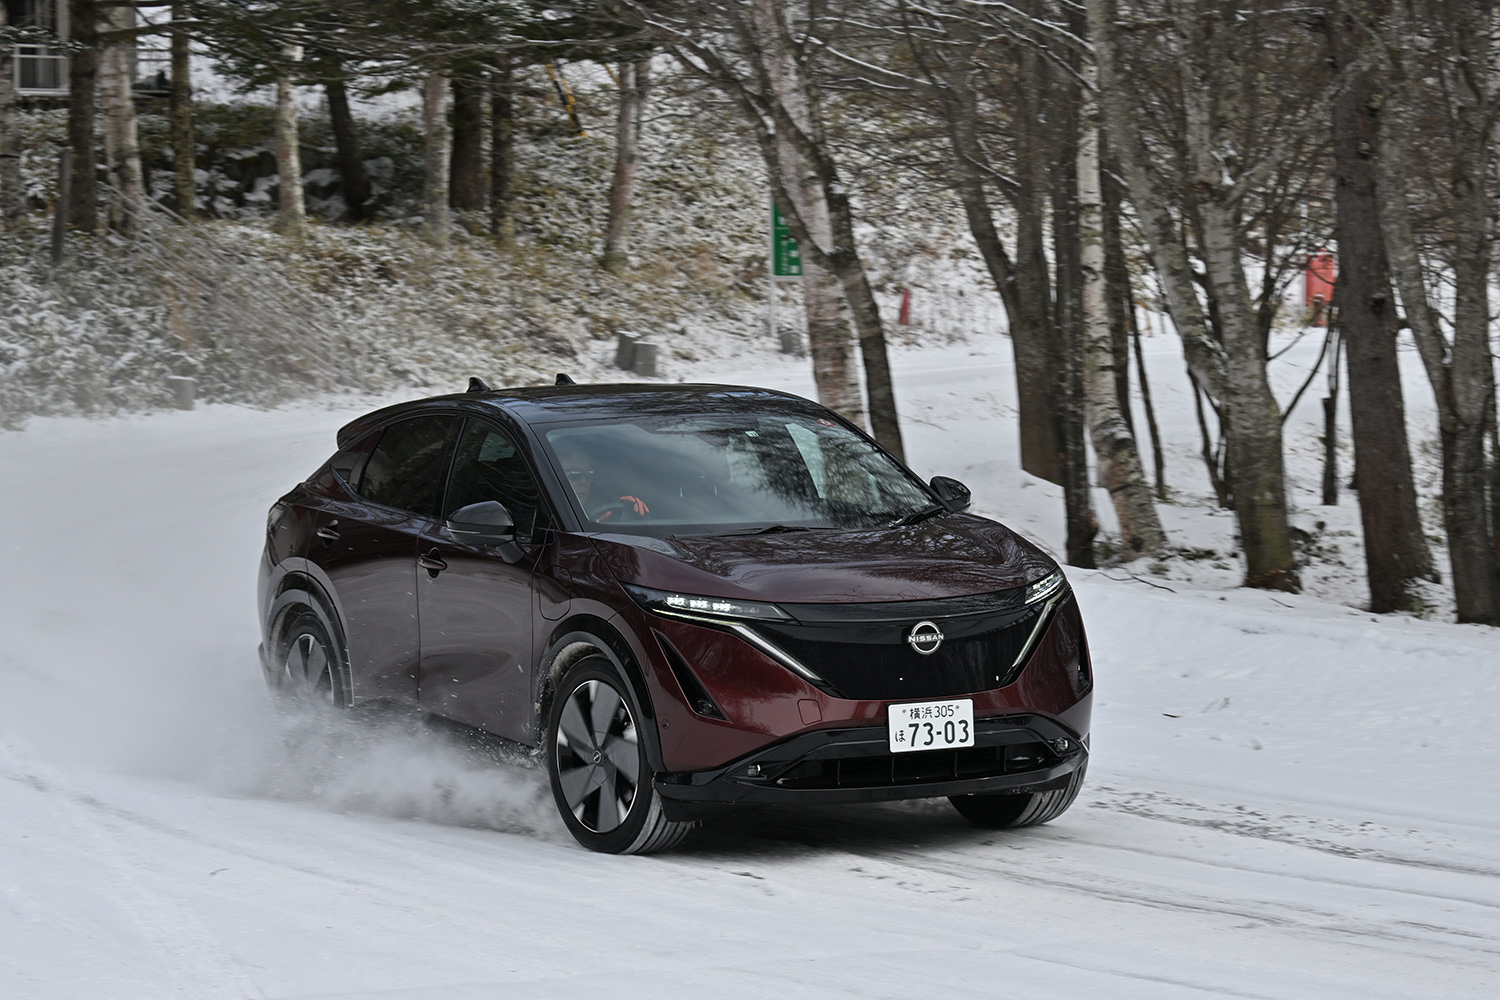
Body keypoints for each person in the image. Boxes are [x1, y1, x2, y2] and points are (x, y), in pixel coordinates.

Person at [557, 448, 649, 522]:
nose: (584, 481)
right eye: (574, 474)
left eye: (589, 473)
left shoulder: (596, 508)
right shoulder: (549, 517)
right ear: (555, 476)